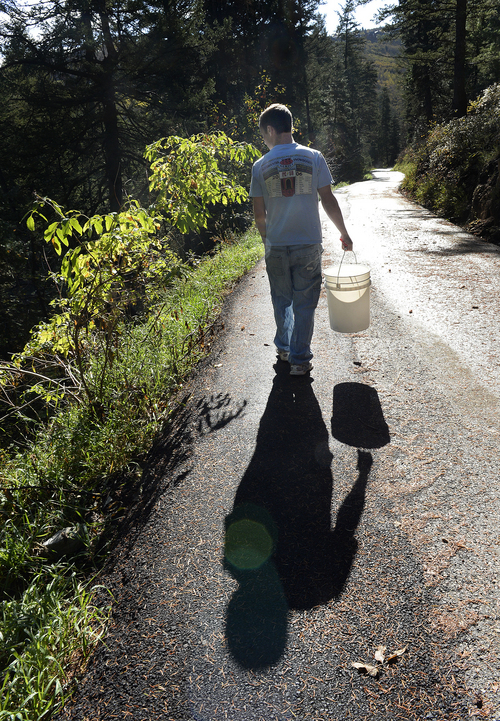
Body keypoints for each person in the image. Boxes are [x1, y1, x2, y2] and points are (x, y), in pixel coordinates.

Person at [249, 103, 353, 376]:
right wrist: (343, 232)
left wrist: (266, 241)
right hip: (308, 244)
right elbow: (328, 200)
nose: (264, 140)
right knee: (305, 303)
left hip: (277, 245)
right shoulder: (314, 157)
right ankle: (300, 360)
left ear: (270, 130)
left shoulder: (260, 166)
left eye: (263, 135)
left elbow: (259, 213)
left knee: (281, 298)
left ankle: (284, 348)